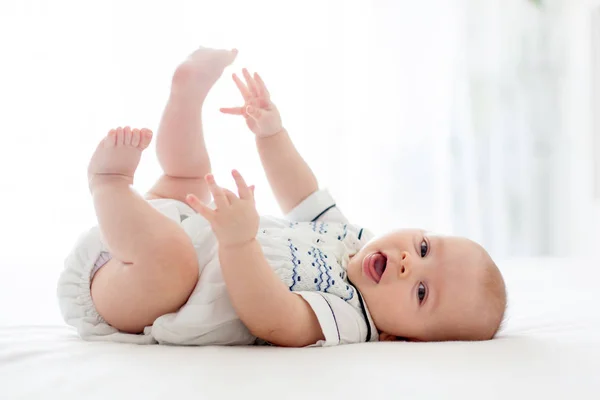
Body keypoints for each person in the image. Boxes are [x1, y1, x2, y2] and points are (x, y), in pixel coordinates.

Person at [58, 46, 506, 347]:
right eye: (425, 247)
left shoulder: (348, 317)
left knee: (174, 261)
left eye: (423, 292)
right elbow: (301, 191)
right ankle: (186, 94)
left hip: (140, 295)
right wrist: (271, 134)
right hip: (162, 226)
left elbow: (270, 315)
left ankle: (110, 182)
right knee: (188, 177)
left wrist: (237, 244)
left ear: (400, 340)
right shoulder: (351, 238)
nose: (410, 263)